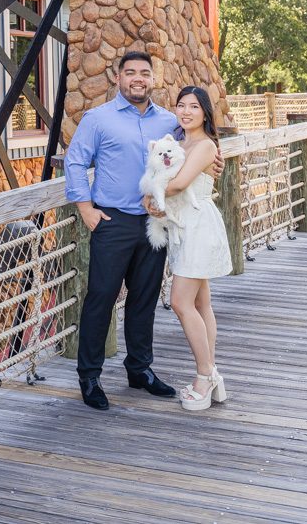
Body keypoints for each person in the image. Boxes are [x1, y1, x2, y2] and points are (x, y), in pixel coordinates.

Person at [65, 51, 226, 411]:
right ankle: (89, 377)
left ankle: (140, 369)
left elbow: (198, 148)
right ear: (118, 77)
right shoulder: (98, 119)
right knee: (101, 297)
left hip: (156, 224)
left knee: (145, 299)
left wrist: (218, 159)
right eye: (130, 72)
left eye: (144, 73)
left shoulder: (170, 122)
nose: (138, 78)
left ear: (153, 78)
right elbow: (75, 162)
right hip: (113, 221)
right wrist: (86, 209)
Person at [160, 86, 232, 412]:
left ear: (205, 111)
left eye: (193, 106)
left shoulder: (204, 146)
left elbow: (177, 183)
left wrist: (148, 196)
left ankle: (203, 377)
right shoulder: (179, 142)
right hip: (183, 227)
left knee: (179, 301)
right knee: (202, 302)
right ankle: (212, 371)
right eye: (181, 106)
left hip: (197, 227)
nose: (186, 112)